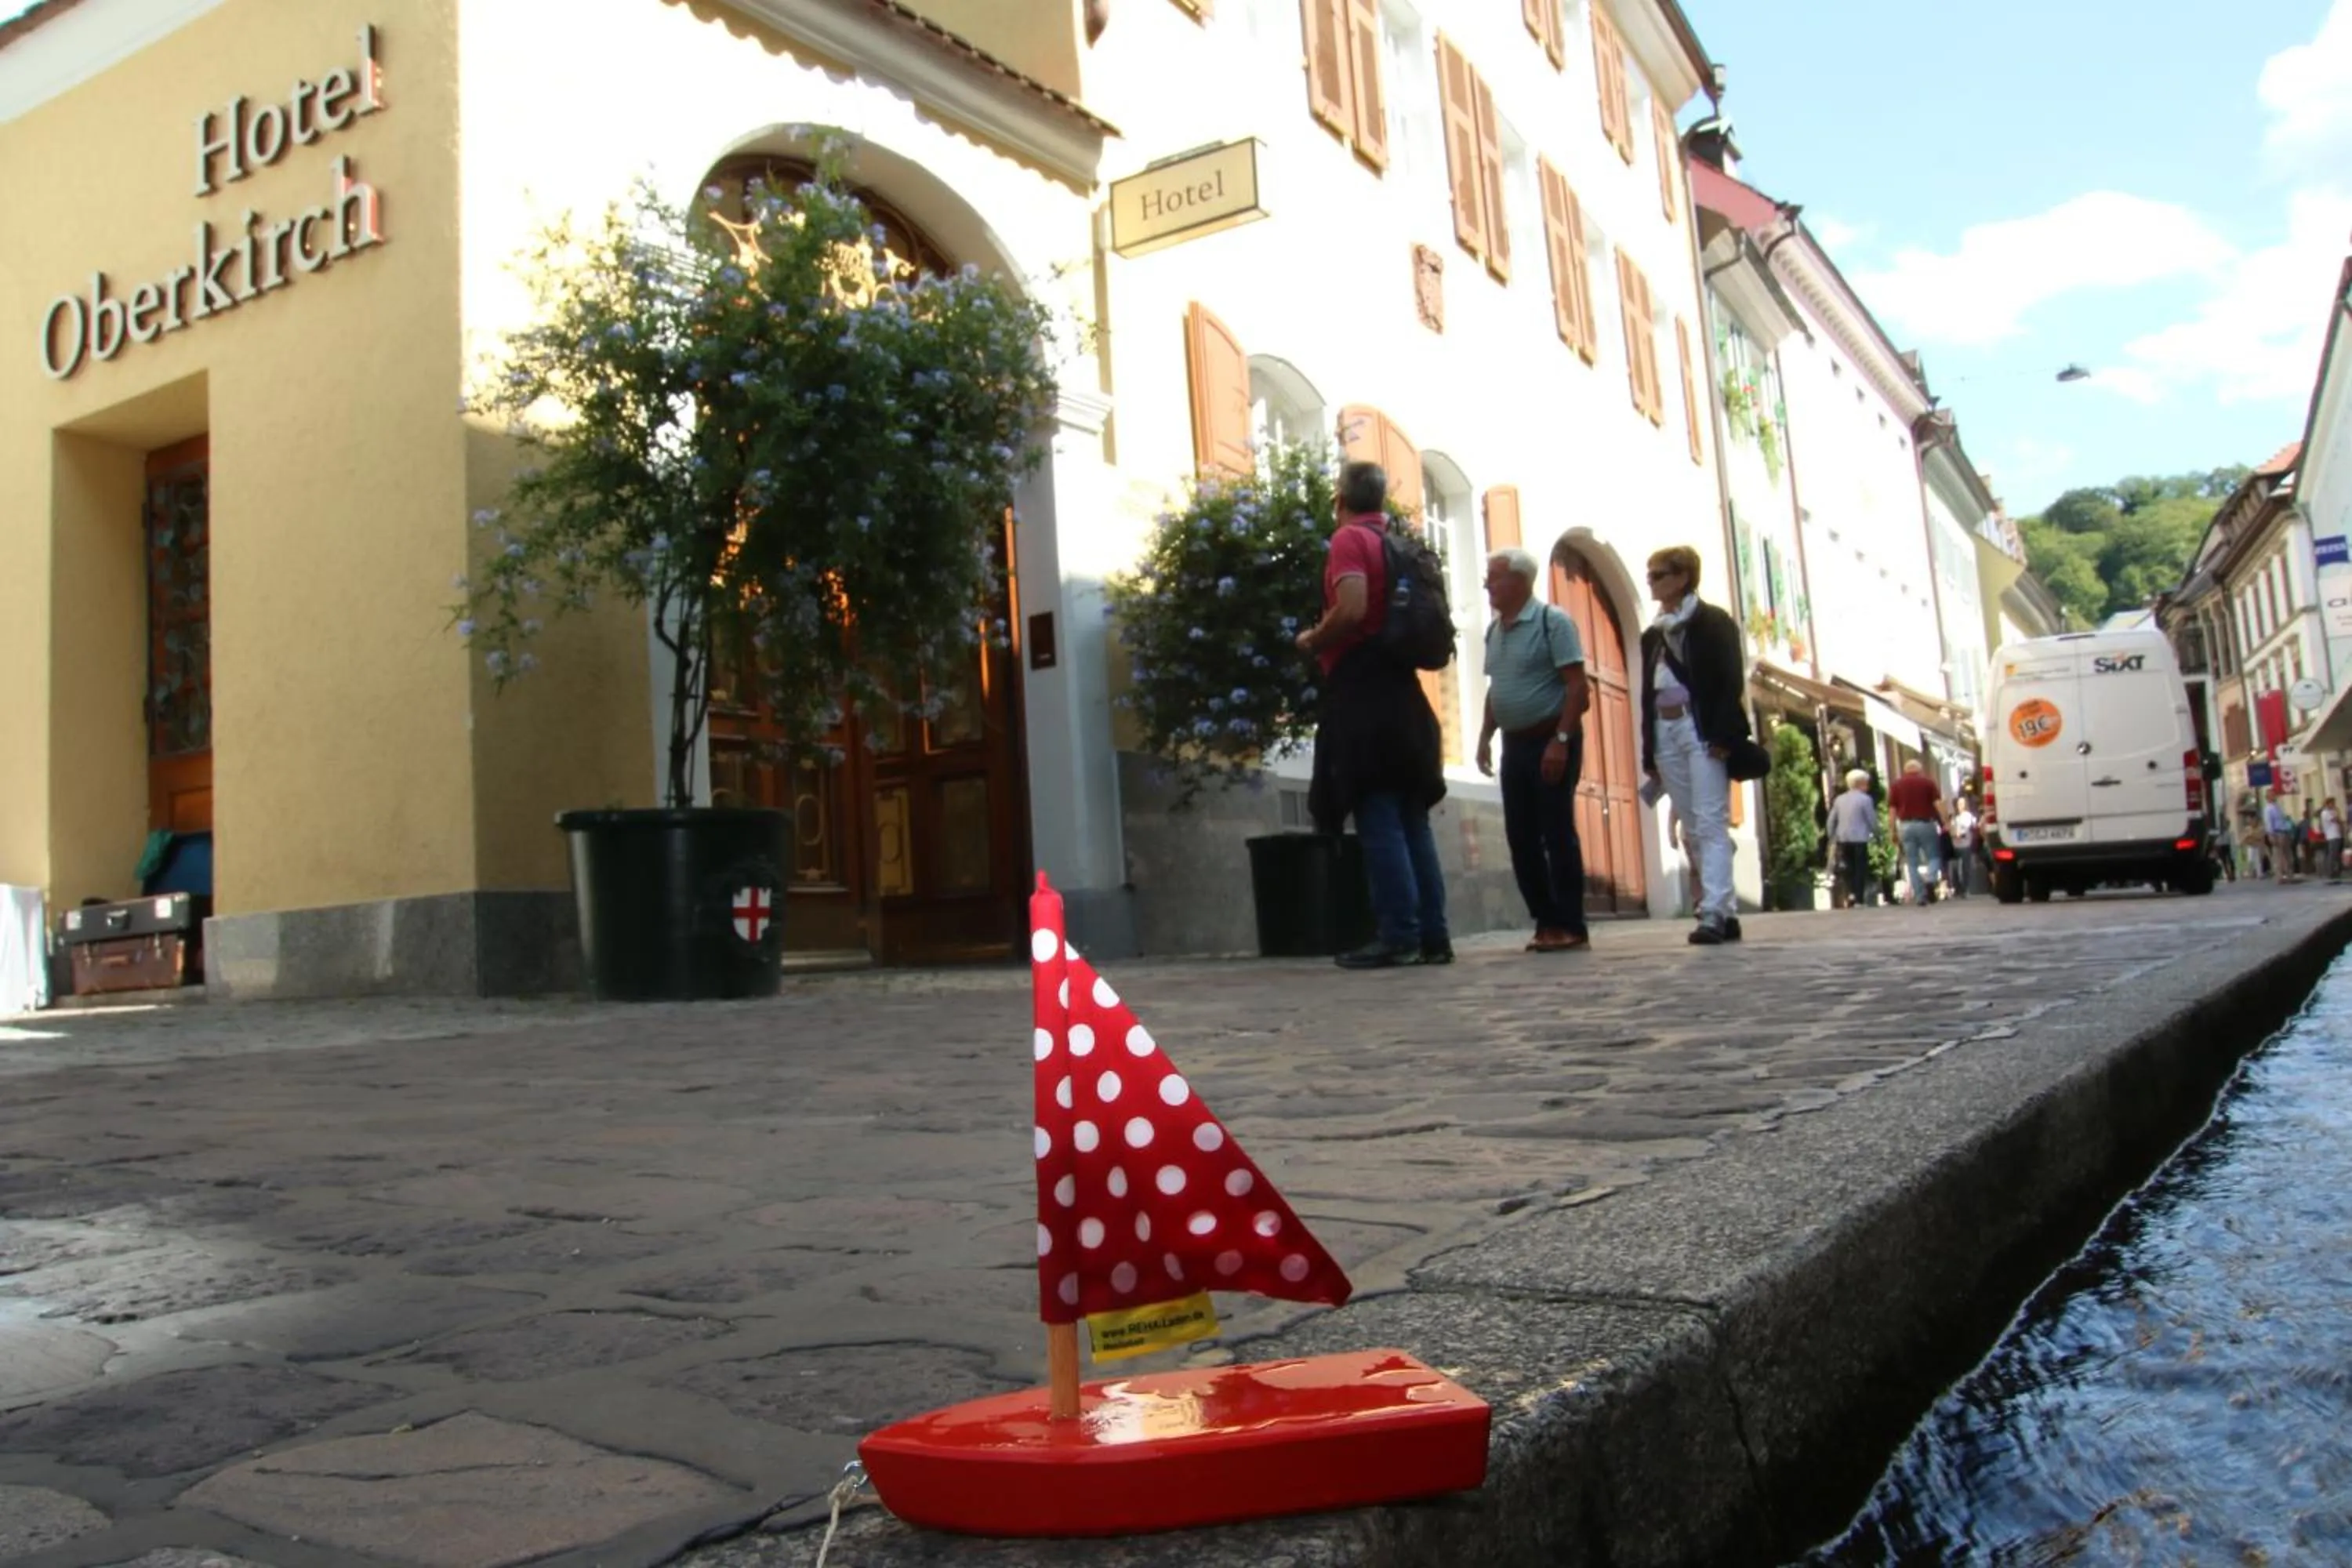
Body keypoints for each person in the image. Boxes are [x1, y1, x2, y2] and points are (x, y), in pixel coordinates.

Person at [1300, 461, 1450, 969]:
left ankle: (1399, 934)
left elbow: (1353, 608)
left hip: (1362, 686)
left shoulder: (1349, 541)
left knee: (1377, 807)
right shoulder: (1397, 542)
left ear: (1342, 498)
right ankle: (1433, 935)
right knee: (1411, 814)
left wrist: (1314, 639)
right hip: (1401, 685)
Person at [1474, 547, 1591, 953]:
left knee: (1556, 832)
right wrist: (1485, 735)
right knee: (1520, 835)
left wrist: (1560, 741)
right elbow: (1498, 687)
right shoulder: (1495, 630)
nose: (1487, 583)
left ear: (1520, 581)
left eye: (1495, 576)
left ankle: (1570, 923)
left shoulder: (1551, 622)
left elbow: (1578, 687)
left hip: (1550, 740)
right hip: (1515, 743)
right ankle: (1545, 920)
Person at [1638, 546, 1751, 946]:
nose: (1651, 581)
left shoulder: (1713, 622)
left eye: (1659, 574)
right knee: (1691, 827)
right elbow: (1646, 696)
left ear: (1683, 577)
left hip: (1700, 729)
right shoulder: (1651, 636)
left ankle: (1713, 912)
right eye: (1649, 575)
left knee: (1709, 820)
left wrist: (1721, 735)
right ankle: (1727, 909)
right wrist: (1648, 751)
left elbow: (1728, 681)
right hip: (1666, 732)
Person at [1887, 760, 1950, 907]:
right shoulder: (1928, 783)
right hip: (1925, 824)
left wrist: (1893, 831)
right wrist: (1946, 822)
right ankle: (1931, 878)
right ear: (1919, 770)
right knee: (1934, 856)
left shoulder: (1896, 785)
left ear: (1905, 770)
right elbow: (1938, 804)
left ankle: (1920, 896)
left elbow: (1892, 811)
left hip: (1905, 826)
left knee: (1912, 862)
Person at [1827, 768, 1878, 909]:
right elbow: (1871, 819)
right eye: (1866, 784)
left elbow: (1831, 820)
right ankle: (1859, 899)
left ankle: (1850, 894)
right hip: (1860, 839)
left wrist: (1831, 836)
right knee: (1860, 868)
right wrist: (1877, 834)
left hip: (1843, 838)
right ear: (1860, 784)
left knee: (1847, 869)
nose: (1867, 787)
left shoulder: (1839, 799)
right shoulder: (1865, 799)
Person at [1946, 794, 1978, 899]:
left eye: (1962, 804)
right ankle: (1957, 889)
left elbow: (1969, 827)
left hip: (1965, 844)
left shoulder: (1967, 815)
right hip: (1954, 845)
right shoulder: (1953, 817)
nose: (1960, 806)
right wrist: (1953, 833)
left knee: (1966, 867)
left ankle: (1965, 889)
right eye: (1958, 804)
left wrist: (1959, 833)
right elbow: (1950, 829)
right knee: (1954, 867)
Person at [2263, 793, 2299, 884]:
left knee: (2288, 854)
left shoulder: (2278, 807)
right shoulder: (2269, 809)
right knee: (2279, 856)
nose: (2274, 796)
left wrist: (2289, 829)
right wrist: (2271, 835)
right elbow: (2269, 822)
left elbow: (2283, 820)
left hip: (2284, 831)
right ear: (2268, 798)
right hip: (2277, 832)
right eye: (2272, 795)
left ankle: (2290, 875)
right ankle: (2280, 876)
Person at [2326, 798, 2346, 885]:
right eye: (2332, 803)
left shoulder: (2333, 812)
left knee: (2337, 855)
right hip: (2332, 836)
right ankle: (2331, 873)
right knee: (2332, 855)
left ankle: (2337, 872)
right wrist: (2338, 817)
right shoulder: (2325, 813)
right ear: (2328, 804)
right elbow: (2335, 820)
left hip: (2337, 835)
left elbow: (2339, 820)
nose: (2333, 805)